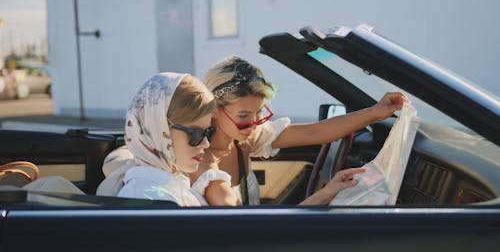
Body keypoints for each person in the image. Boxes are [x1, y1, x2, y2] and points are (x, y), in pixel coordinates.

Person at [188, 55, 407, 206]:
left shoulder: (242, 140)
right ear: (214, 110)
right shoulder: (204, 166)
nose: (254, 123)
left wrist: (374, 112)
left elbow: (314, 133)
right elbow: (252, 232)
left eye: (258, 113)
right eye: (244, 116)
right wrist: (324, 194)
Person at [96, 72, 222, 206]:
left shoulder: (169, 188)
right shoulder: (150, 199)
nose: (206, 143)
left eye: (208, 132)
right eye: (196, 133)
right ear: (158, 128)